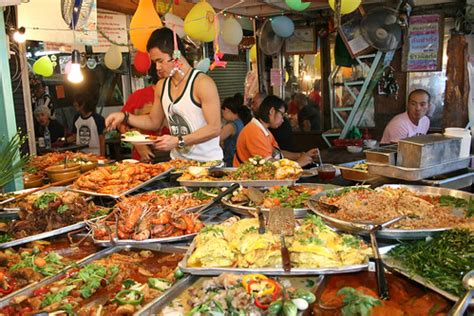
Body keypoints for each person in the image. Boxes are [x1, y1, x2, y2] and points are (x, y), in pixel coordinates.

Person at [105, 27, 223, 162]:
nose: (157, 68)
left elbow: (214, 128)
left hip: (208, 165)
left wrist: (179, 141)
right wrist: (124, 116)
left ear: (176, 55)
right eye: (155, 62)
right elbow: (153, 122)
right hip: (177, 164)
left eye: (160, 61)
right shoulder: (162, 86)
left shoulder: (202, 83)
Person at [234, 95, 317, 167]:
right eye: (282, 114)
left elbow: (277, 154)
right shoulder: (254, 131)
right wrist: (298, 163)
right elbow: (269, 164)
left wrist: (301, 155)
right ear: (272, 111)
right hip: (249, 182)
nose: (283, 120)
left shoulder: (264, 130)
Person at [120, 68, 170, 162]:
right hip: (143, 159)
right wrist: (138, 143)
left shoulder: (184, 97)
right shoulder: (138, 96)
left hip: (175, 157)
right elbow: (122, 125)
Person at [220, 96, 252, 166]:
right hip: (240, 160)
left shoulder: (232, 126)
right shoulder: (242, 121)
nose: (222, 116)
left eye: (223, 113)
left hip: (232, 162)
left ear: (227, 110)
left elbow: (217, 138)